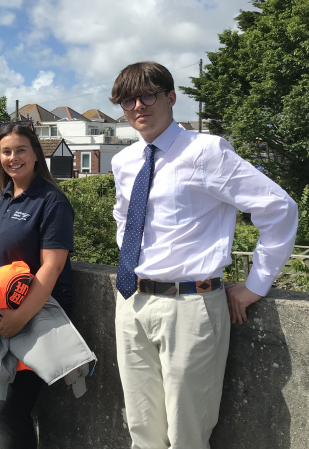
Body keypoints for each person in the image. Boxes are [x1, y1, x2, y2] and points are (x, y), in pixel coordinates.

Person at [110, 61, 298, 449]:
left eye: (148, 95)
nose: (138, 107)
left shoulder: (206, 151)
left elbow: (278, 208)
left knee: (187, 433)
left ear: (171, 97)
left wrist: (256, 285)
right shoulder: (124, 160)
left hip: (190, 305)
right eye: (128, 100)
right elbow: (125, 218)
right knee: (141, 429)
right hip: (132, 302)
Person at [0, 121, 75, 449]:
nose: (12, 157)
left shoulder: (51, 201)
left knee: (10, 409)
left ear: (35, 155)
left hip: (31, 320)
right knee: (3, 406)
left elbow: (53, 266)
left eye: (20, 150)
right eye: (6, 151)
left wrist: (19, 318)